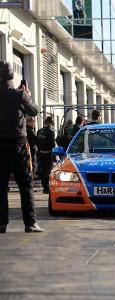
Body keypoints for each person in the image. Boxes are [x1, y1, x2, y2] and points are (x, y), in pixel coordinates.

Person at [0, 61, 43, 233]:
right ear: (12, 76)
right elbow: (34, 111)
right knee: (25, 184)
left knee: (1, 185)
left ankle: (1, 223)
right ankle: (30, 223)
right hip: (19, 143)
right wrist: (27, 95)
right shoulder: (19, 95)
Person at [36, 116, 56, 195]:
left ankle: (44, 187)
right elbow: (52, 144)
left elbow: (37, 142)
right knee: (48, 171)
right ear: (50, 124)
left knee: (42, 171)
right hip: (48, 154)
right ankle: (47, 187)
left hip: (40, 153)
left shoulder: (39, 131)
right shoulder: (50, 132)